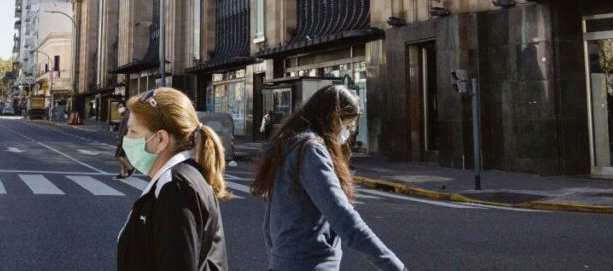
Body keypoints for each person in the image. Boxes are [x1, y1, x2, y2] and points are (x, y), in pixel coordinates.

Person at [251, 85, 405, 271]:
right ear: (333, 118)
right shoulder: (311, 152)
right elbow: (344, 219)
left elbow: (269, 223)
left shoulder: (289, 145)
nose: (347, 133)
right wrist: (394, 266)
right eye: (347, 125)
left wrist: (279, 260)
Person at [117, 87, 229, 271]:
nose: (126, 138)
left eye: (132, 131)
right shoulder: (180, 178)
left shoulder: (175, 187)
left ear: (161, 139)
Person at [114, 103, 133, 180]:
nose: (119, 108)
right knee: (122, 156)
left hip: (124, 139)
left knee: (118, 155)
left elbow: (125, 129)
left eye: (121, 106)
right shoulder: (126, 114)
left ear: (125, 107)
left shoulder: (126, 115)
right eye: (118, 107)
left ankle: (130, 168)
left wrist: (120, 140)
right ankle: (122, 174)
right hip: (126, 138)